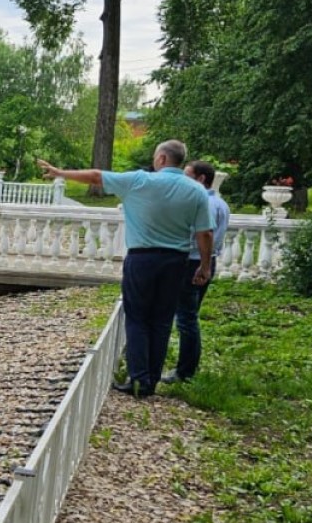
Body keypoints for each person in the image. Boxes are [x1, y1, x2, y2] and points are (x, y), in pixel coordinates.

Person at [36, 140, 213, 398]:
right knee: (162, 321)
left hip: (142, 258)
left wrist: (60, 173)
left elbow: (96, 176)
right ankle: (151, 381)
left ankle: (138, 379)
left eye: (155, 157)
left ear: (162, 159)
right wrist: (205, 266)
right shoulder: (196, 191)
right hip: (176, 261)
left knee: (138, 317)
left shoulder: (139, 181)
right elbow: (205, 233)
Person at [162, 160, 230, 383]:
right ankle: (186, 368)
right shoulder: (220, 203)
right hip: (205, 261)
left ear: (201, 179)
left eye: (187, 175)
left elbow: (202, 234)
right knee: (189, 316)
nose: (183, 180)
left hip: (193, 262)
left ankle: (185, 371)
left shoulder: (203, 203)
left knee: (186, 318)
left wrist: (202, 265)